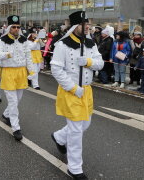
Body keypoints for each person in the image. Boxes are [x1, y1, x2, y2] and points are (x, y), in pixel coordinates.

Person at [50, 11, 104, 179]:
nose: (87, 26)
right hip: (71, 92)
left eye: (88, 23)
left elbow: (100, 63)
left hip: (87, 91)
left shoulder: (91, 42)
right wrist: (73, 88)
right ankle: (74, 168)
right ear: (75, 26)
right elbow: (56, 69)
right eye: (84, 24)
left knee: (84, 125)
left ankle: (59, 137)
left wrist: (88, 62)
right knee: (75, 131)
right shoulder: (62, 45)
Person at [0, 15, 35, 141]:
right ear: (9, 28)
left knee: (18, 99)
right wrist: (6, 54)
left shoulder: (24, 40)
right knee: (13, 102)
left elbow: (28, 56)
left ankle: (6, 114)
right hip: (9, 72)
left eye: (18, 27)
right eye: (14, 27)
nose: (16, 29)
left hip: (21, 72)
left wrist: (31, 71)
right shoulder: (2, 40)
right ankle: (16, 127)